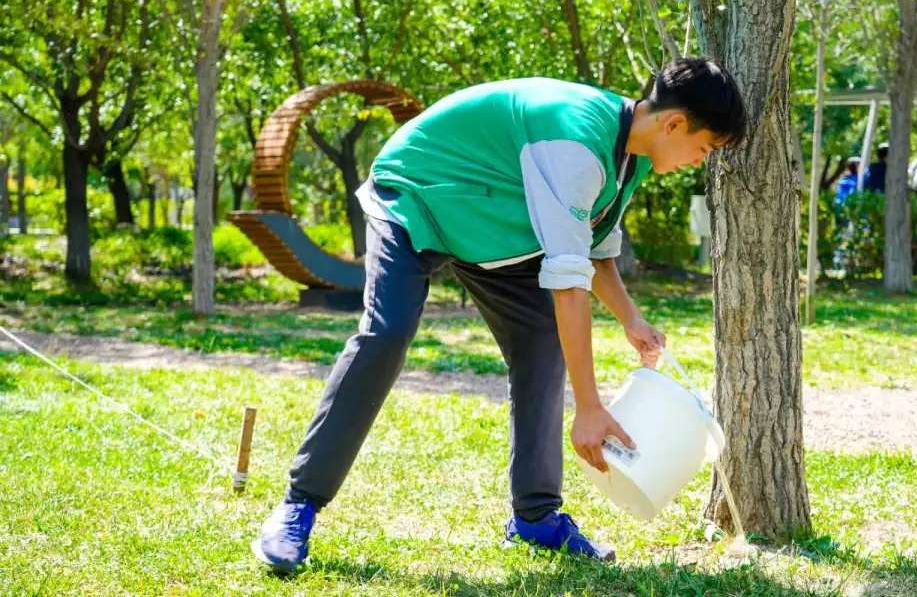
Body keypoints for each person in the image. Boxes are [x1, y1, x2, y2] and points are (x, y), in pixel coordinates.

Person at [250, 58, 748, 573]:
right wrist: (591, 407)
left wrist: (630, 318)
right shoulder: (576, 140)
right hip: (417, 193)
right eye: (704, 148)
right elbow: (567, 283)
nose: (699, 160)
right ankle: (298, 505)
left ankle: (536, 519)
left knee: (540, 347)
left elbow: (595, 247)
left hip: (492, 232)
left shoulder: (632, 155)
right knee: (387, 333)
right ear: (673, 124)